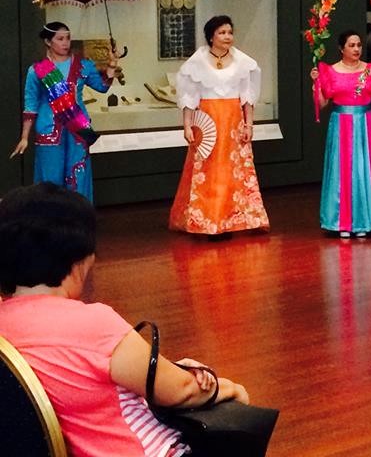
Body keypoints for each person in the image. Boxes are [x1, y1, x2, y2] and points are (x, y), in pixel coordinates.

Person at [0, 182, 250, 457]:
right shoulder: (93, 324)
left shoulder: (5, 327)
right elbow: (181, 391)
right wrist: (227, 388)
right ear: (78, 261)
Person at [169, 15, 269, 236]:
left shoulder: (243, 62)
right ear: (211, 36)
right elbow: (189, 98)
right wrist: (187, 126)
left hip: (233, 121)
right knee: (208, 170)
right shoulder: (197, 62)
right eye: (222, 33)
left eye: (230, 32)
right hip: (208, 122)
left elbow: (247, 98)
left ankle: (236, 218)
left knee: (235, 169)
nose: (227, 37)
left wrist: (249, 125)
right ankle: (209, 220)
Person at [10, 22, 119, 201]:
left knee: (78, 176)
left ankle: (77, 215)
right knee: (50, 179)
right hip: (48, 128)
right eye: (60, 39)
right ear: (48, 41)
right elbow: (31, 105)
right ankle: (51, 216)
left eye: (68, 38)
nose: (65, 43)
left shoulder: (83, 65)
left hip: (78, 128)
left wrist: (112, 65)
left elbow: (102, 87)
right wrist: (24, 137)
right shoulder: (37, 70)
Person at [311, 29, 371, 238]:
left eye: (358, 45)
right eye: (351, 45)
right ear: (342, 48)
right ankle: (341, 221)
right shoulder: (331, 71)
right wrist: (316, 84)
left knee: (362, 169)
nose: (356, 49)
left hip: (363, 125)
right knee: (341, 170)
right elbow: (322, 103)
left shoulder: (369, 70)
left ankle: (363, 220)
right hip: (340, 125)